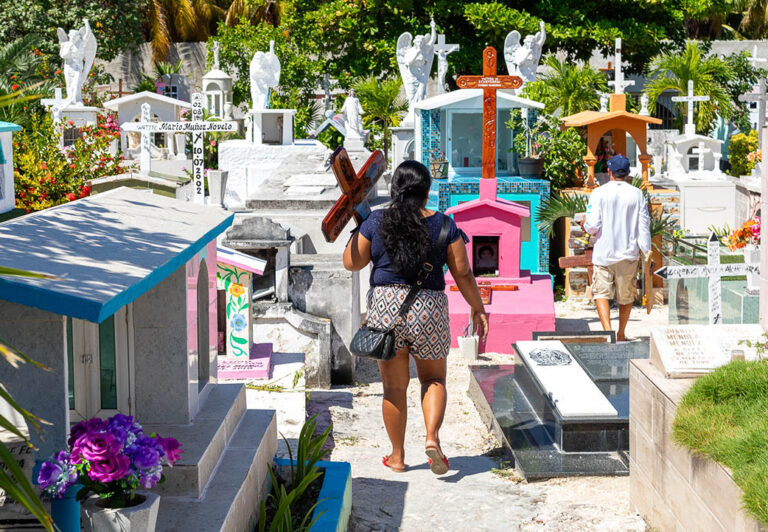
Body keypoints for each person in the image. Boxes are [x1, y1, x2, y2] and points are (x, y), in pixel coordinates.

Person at [343, 160, 489, 475]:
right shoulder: (445, 225)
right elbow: (462, 272)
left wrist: (360, 226)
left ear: (395, 189)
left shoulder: (376, 221)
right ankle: (432, 438)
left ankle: (396, 457)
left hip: (386, 310)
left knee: (394, 388)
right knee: (433, 379)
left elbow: (351, 263)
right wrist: (477, 307)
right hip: (430, 308)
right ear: (426, 192)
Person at [581, 154, 651, 341]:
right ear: (628, 173)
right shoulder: (637, 194)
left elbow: (593, 225)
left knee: (601, 293)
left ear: (609, 172)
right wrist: (647, 253)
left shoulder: (599, 192)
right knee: (626, 296)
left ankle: (607, 331)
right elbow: (643, 226)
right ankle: (620, 334)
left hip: (604, 253)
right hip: (628, 254)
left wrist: (585, 226)